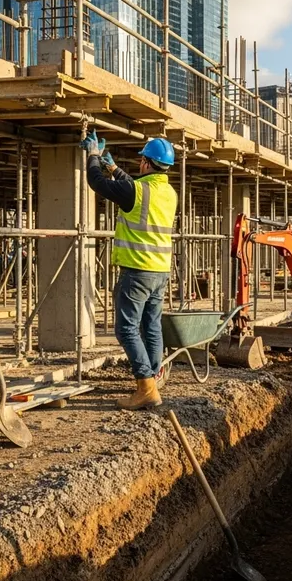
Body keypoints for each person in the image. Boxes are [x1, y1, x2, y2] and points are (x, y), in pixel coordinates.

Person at [80, 131, 178, 410]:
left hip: (137, 270)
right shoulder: (168, 192)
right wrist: (116, 169)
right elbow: (136, 189)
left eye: (141, 161)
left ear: (147, 163)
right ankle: (153, 377)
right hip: (160, 271)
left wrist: (94, 157)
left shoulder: (136, 190)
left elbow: (95, 182)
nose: (139, 165)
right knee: (151, 325)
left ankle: (146, 387)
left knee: (126, 329)